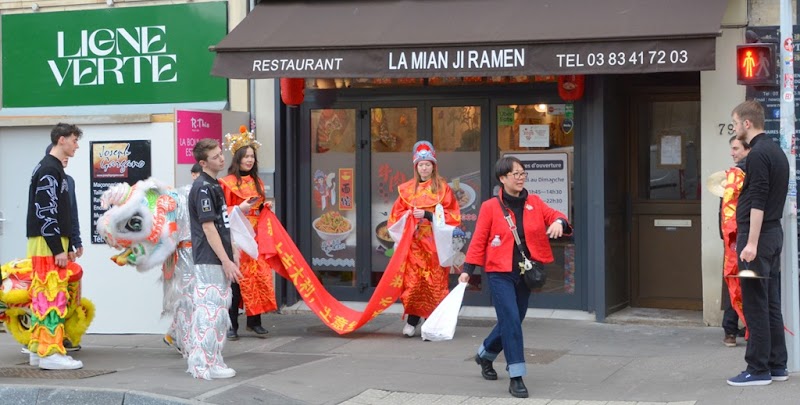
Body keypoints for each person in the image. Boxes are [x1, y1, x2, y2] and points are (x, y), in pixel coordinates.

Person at [461, 156, 571, 398]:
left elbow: (556, 215)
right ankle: (517, 375)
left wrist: (559, 223)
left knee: (514, 319)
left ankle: (485, 354)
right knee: (510, 318)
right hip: (499, 272)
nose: (521, 178)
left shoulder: (535, 202)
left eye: (523, 173)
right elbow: (478, 240)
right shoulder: (490, 207)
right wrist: (468, 270)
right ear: (503, 178)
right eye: (516, 174)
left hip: (525, 272)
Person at [727, 100, 789, 386]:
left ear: (747, 124)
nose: (735, 128)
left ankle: (758, 370)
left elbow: (759, 200)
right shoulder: (776, 151)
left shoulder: (757, 155)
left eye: (736, 123)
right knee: (771, 303)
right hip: (772, 237)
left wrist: (749, 243)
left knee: (754, 304)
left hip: (759, 241)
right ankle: (777, 365)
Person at [387, 140, 461, 337]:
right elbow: (394, 217)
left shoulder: (443, 189)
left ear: (433, 166)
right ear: (416, 166)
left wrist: (428, 216)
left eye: (428, 164)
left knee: (434, 283)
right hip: (413, 245)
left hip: (435, 245)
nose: (424, 167)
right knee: (412, 282)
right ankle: (412, 319)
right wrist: (408, 217)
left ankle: (432, 321)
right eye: (421, 164)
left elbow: (453, 216)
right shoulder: (406, 190)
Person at [26, 123, 84, 370]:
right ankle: (50, 353)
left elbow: (60, 211)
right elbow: (46, 212)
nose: (76, 145)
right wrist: (57, 248)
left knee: (42, 295)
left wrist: (69, 242)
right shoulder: (49, 169)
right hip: (48, 243)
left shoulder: (52, 168)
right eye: (73, 140)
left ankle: (39, 349)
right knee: (52, 296)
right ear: (61, 140)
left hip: (50, 241)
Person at [186, 138, 242, 380]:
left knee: (218, 311)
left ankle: (213, 359)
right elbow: (209, 228)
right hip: (209, 258)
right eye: (216, 156)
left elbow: (222, 224)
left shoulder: (214, 185)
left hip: (217, 257)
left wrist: (232, 252)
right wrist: (226, 259)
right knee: (209, 311)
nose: (222, 158)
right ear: (203, 162)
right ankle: (202, 364)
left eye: (221, 154)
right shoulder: (203, 188)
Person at [219, 126, 277, 339]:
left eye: (252, 156)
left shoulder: (257, 182)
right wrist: (238, 209)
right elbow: (220, 212)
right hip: (236, 237)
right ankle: (231, 324)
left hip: (255, 237)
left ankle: (254, 321)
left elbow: (259, 208)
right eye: (246, 156)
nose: (250, 160)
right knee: (236, 283)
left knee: (259, 278)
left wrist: (264, 207)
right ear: (238, 159)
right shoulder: (226, 183)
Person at [43, 143, 84, 352]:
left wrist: (75, 241)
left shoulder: (69, 181)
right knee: (48, 292)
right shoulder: (46, 175)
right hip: (50, 245)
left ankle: (65, 334)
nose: (68, 157)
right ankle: (46, 338)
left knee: (69, 290)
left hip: (66, 242)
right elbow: (46, 214)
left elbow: (71, 213)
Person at [720, 136, 749, 347]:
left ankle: (734, 330)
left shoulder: (740, 174)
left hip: (740, 238)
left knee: (737, 282)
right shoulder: (734, 174)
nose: (732, 152)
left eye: (736, 148)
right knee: (741, 282)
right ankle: (735, 329)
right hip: (740, 238)